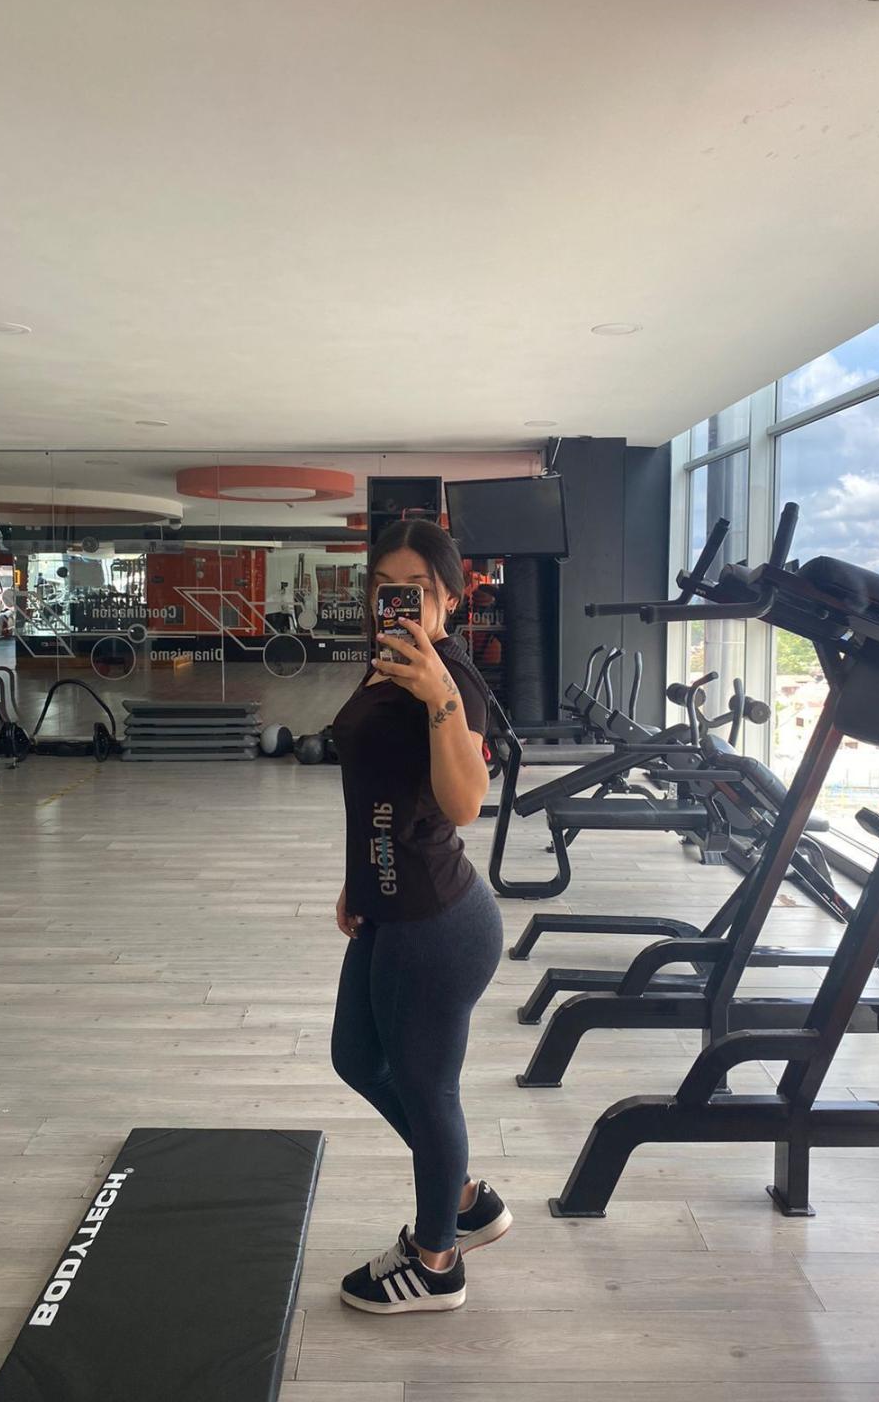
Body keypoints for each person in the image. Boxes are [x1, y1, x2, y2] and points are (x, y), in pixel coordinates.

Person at [329, 519, 511, 1315]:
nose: (395, 602)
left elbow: (464, 804)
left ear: (450, 600)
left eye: (416, 590)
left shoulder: (451, 678)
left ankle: (437, 1260)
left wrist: (439, 695)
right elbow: (378, 788)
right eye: (383, 588)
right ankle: (465, 1198)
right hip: (387, 904)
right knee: (355, 1057)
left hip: (435, 922)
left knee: (425, 1087)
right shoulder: (384, 664)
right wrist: (357, 879)